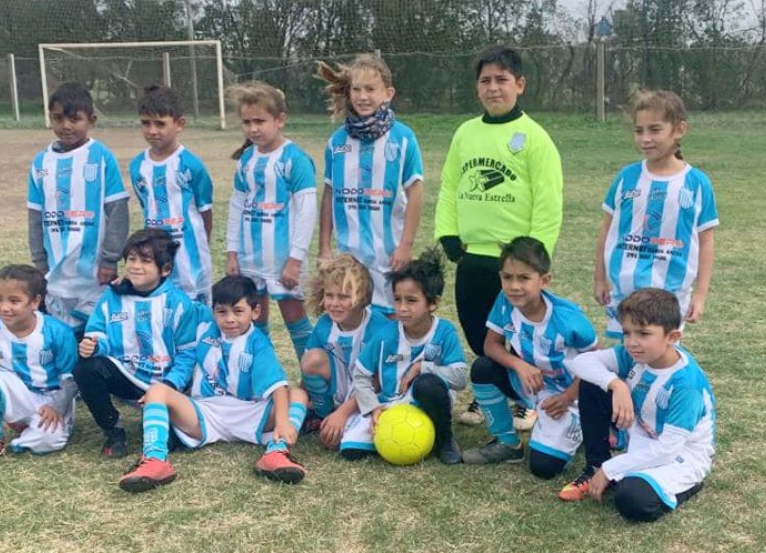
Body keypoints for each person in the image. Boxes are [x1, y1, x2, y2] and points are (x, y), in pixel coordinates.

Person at [434, 46, 563, 429]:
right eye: (486, 81)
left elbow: (548, 200)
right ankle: (489, 388)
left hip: (514, 263)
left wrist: (535, 256)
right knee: (480, 334)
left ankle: (526, 398)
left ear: (519, 85)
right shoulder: (466, 133)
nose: (494, 88)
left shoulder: (534, 138)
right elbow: (450, 185)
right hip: (473, 256)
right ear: (477, 88)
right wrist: (447, 231)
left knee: (519, 334)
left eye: (502, 80)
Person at [117, 275, 310, 492]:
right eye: (221, 312)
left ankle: (277, 452)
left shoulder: (258, 343)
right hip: (205, 413)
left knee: (298, 395)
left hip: (250, 413)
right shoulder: (202, 326)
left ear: (255, 312)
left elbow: (277, 387)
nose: (229, 319)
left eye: (238, 311)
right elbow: (174, 301)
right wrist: (132, 282)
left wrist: (282, 422)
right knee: (158, 391)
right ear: (213, 311)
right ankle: (155, 460)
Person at [558, 288, 716, 523]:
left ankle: (689, 485)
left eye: (643, 333)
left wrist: (612, 469)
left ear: (671, 337)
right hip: (642, 433)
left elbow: (667, 450)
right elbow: (581, 362)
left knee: (632, 500)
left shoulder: (686, 384)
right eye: (627, 333)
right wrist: (617, 385)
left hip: (680, 454)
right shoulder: (633, 355)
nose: (632, 343)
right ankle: (595, 465)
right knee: (593, 382)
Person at [462, 237, 597, 479]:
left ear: (544, 281)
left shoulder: (569, 320)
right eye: (507, 277)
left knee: (543, 467)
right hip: (532, 386)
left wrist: (567, 398)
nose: (514, 286)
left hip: (570, 395)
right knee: (483, 368)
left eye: (524, 278)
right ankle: (508, 445)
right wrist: (519, 365)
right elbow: (490, 345)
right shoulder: (505, 302)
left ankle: (585, 428)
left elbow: (597, 367)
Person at [594, 89, 718, 339]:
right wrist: (599, 279)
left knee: (660, 361)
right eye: (639, 131)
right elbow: (607, 229)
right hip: (625, 293)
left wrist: (700, 296)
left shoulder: (696, 183)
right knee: (625, 358)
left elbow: (706, 242)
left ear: (679, 130)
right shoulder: (626, 177)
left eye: (655, 129)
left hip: (670, 297)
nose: (645, 139)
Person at [73, 228, 200, 458]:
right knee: (85, 368)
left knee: (175, 444)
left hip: (166, 383)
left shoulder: (179, 303)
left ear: (165, 269)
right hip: (128, 374)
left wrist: (169, 386)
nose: (135, 266)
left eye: (145, 260)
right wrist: (93, 345)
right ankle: (114, 429)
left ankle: (160, 416)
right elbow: (97, 331)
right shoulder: (113, 295)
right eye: (131, 259)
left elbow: (188, 354)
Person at [315, 54, 424, 315]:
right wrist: (324, 247)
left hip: (388, 253)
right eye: (356, 89)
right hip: (348, 255)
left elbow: (416, 192)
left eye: (370, 89)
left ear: (388, 93)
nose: (362, 96)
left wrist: (406, 245)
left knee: (389, 316)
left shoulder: (403, 138)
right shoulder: (337, 141)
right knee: (351, 314)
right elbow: (329, 195)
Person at [341, 248, 467, 465]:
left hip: (425, 401)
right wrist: (373, 407)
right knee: (350, 450)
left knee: (427, 384)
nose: (402, 308)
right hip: (390, 405)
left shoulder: (444, 332)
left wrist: (422, 367)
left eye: (411, 300)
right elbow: (360, 375)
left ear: (433, 303)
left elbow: (460, 378)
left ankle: (444, 438)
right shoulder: (384, 335)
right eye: (397, 300)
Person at [27, 81, 129, 335]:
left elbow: (117, 211)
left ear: (91, 120)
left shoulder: (101, 156)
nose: (66, 126)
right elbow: (35, 215)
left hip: (94, 270)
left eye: (75, 119)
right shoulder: (41, 162)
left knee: (95, 331)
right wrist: (39, 259)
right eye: (58, 118)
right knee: (60, 332)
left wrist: (110, 259)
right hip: (56, 268)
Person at [225, 81, 316, 362]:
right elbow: (237, 206)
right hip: (251, 259)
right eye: (247, 122)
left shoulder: (295, 159)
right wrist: (232, 253)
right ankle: (266, 382)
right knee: (255, 321)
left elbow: (306, 210)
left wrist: (295, 259)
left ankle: (315, 386)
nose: (253, 129)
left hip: (282, 259)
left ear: (280, 120)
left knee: (295, 319)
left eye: (260, 121)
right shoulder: (247, 160)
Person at [0, 265, 79, 466]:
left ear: (35, 302)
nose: (4, 307)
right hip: (14, 391)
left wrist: (57, 406)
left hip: (50, 398)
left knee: (50, 441)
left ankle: (24, 432)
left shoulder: (58, 331)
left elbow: (71, 377)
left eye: (14, 301)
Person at [130, 85, 215, 304]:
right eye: (146, 123)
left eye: (160, 124)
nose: (152, 131)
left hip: (190, 257)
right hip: (156, 257)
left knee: (195, 315)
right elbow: (145, 205)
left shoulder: (191, 164)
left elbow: (205, 211)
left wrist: (199, 245)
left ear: (179, 124)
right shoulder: (137, 166)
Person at [299, 253, 393, 450]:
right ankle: (322, 415)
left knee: (343, 445)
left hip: (371, 394)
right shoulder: (325, 325)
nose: (334, 303)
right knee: (311, 360)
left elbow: (377, 380)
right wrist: (301, 400)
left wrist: (342, 414)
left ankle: (344, 418)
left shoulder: (379, 327)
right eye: (329, 295)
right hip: (341, 391)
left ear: (362, 297)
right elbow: (307, 369)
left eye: (343, 296)